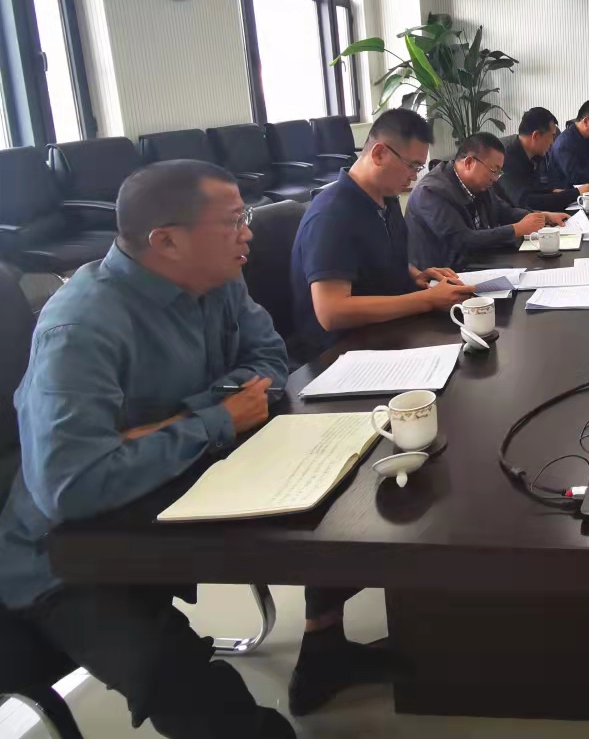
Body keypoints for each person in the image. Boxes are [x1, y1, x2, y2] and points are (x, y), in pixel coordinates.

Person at [0, 162, 391, 738]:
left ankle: (326, 646)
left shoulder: (218, 279)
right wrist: (216, 419)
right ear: (166, 241)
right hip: (68, 556)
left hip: (181, 487)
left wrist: (184, 419)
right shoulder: (81, 327)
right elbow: (71, 486)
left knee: (345, 494)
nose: (248, 233)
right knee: (199, 696)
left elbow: (270, 359)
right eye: (233, 220)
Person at [291, 108, 474, 356]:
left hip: (388, 329)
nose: (414, 177)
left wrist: (415, 274)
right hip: (342, 351)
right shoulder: (331, 214)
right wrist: (427, 300)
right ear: (379, 154)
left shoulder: (386, 199)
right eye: (412, 166)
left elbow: (376, 259)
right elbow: (331, 312)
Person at [406, 131, 565, 270]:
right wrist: (516, 229)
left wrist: (542, 216)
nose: (495, 179)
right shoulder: (432, 192)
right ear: (469, 162)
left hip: (475, 263)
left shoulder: (478, 184)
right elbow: (462, 240)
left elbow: (503, 211)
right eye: (493, 170)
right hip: (441, 277)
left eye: (498, 172)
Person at [498, 106, 589, 213]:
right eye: (552, 136)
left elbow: (536, 189)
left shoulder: (534, 156)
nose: (552, 142)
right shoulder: (507, 162)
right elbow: (530, 202)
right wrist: (576, 193)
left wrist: (552, 191)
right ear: (536, 136)